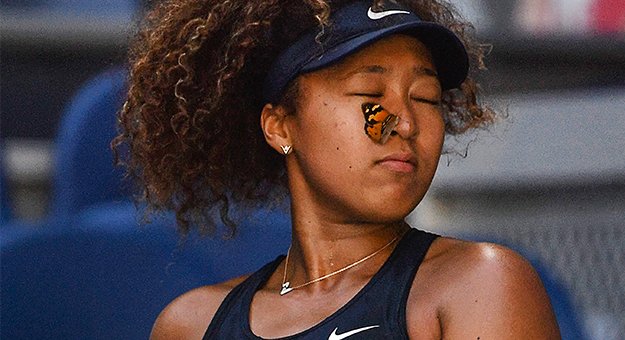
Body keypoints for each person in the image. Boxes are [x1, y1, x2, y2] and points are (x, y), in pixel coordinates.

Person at [115, 0, 561, 338]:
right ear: (280, 126)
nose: (404, 123)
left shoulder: (482, 283)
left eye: (425, 98)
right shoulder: (192, 325)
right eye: (370, 95)